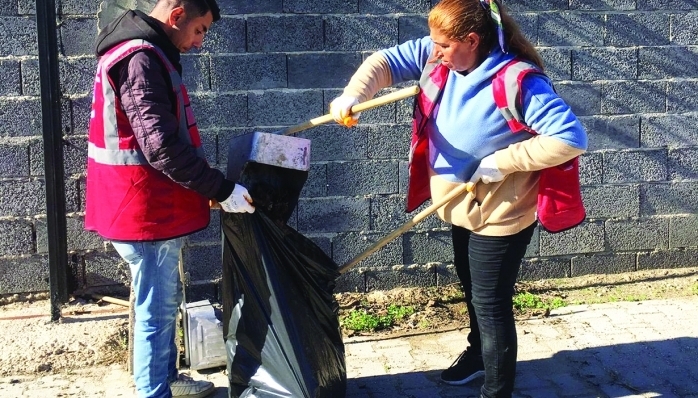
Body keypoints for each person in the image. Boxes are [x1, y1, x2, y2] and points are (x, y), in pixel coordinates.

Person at [329, 0, 588, 397]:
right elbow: (383, 63)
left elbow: (570, 138)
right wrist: (352, 94)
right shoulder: (440, 55)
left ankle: (496, 390)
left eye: (444, 45)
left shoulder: (518, 80)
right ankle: (478, 356)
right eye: (433, 43)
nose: (434, 51)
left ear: (471, 39)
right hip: (460, 203)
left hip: (501, 209)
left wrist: (503, 161)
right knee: (472, 290)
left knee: (490, 303)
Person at [84, 1, 254, 397]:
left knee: (163, 299)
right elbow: (160, 147)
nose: (198, 43)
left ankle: (167, 380)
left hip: (146, 204)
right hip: (144, 208)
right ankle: (154, 391)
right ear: (177, 15)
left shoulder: (144, 52)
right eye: (199, 30)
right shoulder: (140, 59)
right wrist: (220, 189)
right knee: (155, 309)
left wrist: (207, 187)